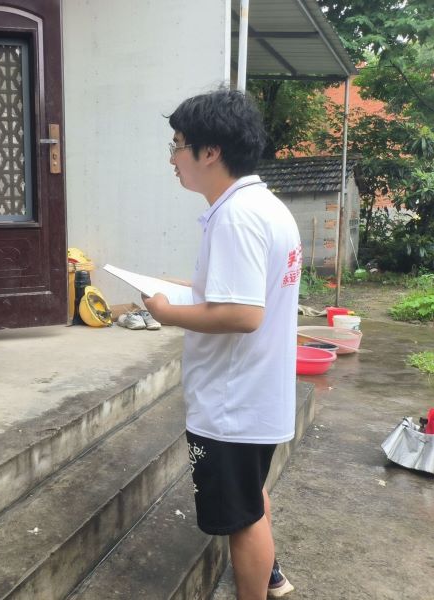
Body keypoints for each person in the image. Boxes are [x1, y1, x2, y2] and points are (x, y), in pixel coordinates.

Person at [143, 89, 300, 599]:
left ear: (209, 151)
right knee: (249, 497)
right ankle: (271, 576)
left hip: (233, 404)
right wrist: (177, 291)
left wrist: (167, 314)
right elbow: (235, 293)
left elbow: (243, 314)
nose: (172, 158)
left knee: (241, 518)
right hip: (255, 395)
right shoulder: (264, 206)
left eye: (177, 145)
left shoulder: (236, 216)